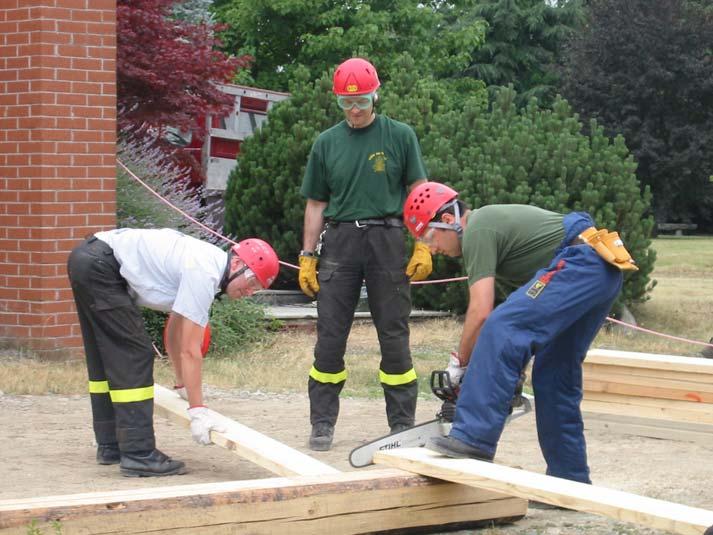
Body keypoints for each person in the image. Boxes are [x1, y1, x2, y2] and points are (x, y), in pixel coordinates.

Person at [403, 181, 637, 483]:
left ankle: (473, 437)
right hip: (599, 269)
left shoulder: (478, 228)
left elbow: (482, 312)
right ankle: (568, 480)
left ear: (448, 221)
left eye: (430, 237)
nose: (432, 249)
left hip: (580, 262)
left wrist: (459, 364)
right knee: (555, 374)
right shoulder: (489, 234)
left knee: (502, 326)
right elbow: (529, 320)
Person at [67, 228, 279, 477]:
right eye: (252, 281)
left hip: (88, 259)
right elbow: (191, 350)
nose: (250, 292)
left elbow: (174, 331)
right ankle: (138, 454)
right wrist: (198, 410)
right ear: (236, 263)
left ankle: (110, 445)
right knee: (134, 355)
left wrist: (181, 384)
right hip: (101, 266)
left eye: (258, 289)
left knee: (104, 355)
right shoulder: (205, 272)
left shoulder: (204, 264)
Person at [298, 57, 432, 451]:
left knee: (394, 334)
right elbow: (316, 204)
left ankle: (402, 423)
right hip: (340, 243)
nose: (354, 111)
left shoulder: (400, 136)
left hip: (388, 241)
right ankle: (322, 424)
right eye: (345, 103)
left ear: (376, 96)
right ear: (338, 100)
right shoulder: (326, 143)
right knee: (330, 336)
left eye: (361, 102)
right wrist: (308, 254)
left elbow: (419, 192)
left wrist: (423, 242)